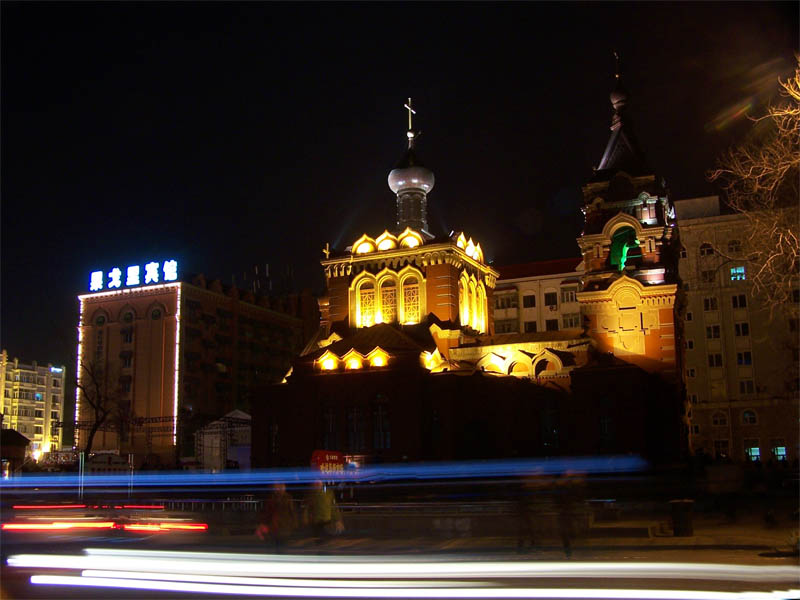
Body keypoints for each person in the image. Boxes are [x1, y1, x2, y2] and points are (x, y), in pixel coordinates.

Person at [256, 483, 297, 553]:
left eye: (280, 487)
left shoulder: (287, 498)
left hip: (283, 526)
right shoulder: (272, 498)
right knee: (276, 546)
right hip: (274, 526)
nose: (278, 489)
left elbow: (292, 511)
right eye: (277, 488)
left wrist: (293, 523)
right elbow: (267, 512)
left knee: (282, 545)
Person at [304, 480, 343, 548]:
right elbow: (307, 508)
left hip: (326, 522)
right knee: (320, 544)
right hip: (316, 522)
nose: (317, 483)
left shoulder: (328, 492)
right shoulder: (310, 494)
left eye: (319, 482)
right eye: (316, 482)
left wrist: (337, 520)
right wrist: (306, 518)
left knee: (325, 544)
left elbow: (333, 507)